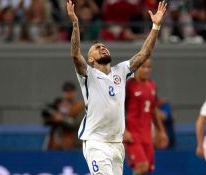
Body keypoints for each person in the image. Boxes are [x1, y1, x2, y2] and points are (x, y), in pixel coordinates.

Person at [66, 0, 167, 174]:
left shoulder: (121, 70)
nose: (102, 48)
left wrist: (156, 27)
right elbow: (75, 54)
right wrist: (75, 23)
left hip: (116, 143)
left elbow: (145, 53)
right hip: (96, 142)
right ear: (90, 59)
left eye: (104, 46)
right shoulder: (88, 75)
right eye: (97, 48)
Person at [124, 59, 168, 175]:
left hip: (147, 134)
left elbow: (153, 110)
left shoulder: (152, 86)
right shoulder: (129, 85)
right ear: (136, 68)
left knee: (146, 169)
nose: (147, 70)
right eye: (143, 67)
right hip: (133, 134)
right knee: (141, 166)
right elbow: (118, 109)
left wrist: (161, 131)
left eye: (149, 67)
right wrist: (124, 130)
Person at [42, 81, 84, 150]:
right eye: (66, 91)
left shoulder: (78, 106)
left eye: (70, 91)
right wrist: (52, 118)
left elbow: (78, 123)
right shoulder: (57, 105)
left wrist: (62, 119)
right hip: (55, 141)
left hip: (72, 141)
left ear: (74, 92)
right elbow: (45, 121)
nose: (68, 93)